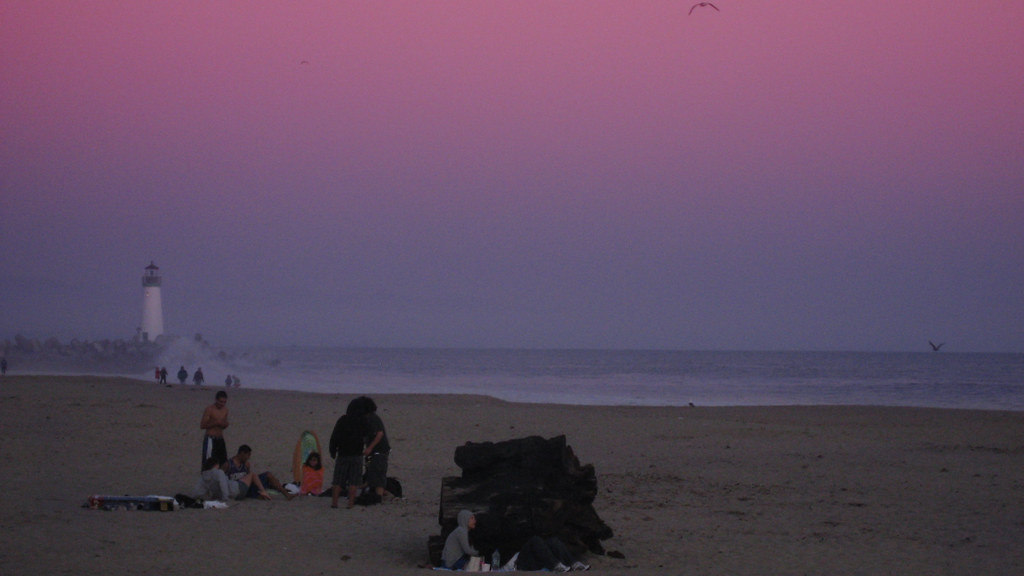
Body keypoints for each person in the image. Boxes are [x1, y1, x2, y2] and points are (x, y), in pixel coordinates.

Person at [329, 399, 366, 508]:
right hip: (357, 455)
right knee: (353, 482)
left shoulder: (342, 420)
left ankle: (334, 503)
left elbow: (334, 436)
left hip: (343, 454)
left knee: (338, 481)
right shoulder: (362, 422)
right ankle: (350, 504)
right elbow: (366, 436)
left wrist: (332, 451)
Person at [226, 445, 293, 500]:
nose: (248, 458)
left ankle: (286, 494)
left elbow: (249, 476)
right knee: (262, 497)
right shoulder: (229, 464)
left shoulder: (246, 464)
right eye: (248, 455)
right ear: (242, 453)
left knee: (268, 475)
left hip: (248, 486)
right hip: (236, 488)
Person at [359, 396, 391, 501]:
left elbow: (379, 434)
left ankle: (379, 496)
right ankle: (376, 492)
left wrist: (370, 448)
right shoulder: (367, 419)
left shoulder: (372, 418)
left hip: (380, 450)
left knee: (378, 472)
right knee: (371, 471)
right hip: (375, 450)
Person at [512, 536, 590, 572]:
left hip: (536, 562)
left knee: (553, 541)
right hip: (521, 564)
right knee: (535, 540)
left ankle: (573, 564)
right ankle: (556, 566)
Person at [200, 391, 229, 469]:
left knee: (223, 463)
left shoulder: (225, 410)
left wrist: (224, 424)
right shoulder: (209, 409)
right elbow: (202, 425)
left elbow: (224, 425)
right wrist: (215, 422)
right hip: (210, 439)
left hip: (220, 439)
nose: (222, 404)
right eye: (220, 402)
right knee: (208, 462)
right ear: (216, 400)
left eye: (224, 402)